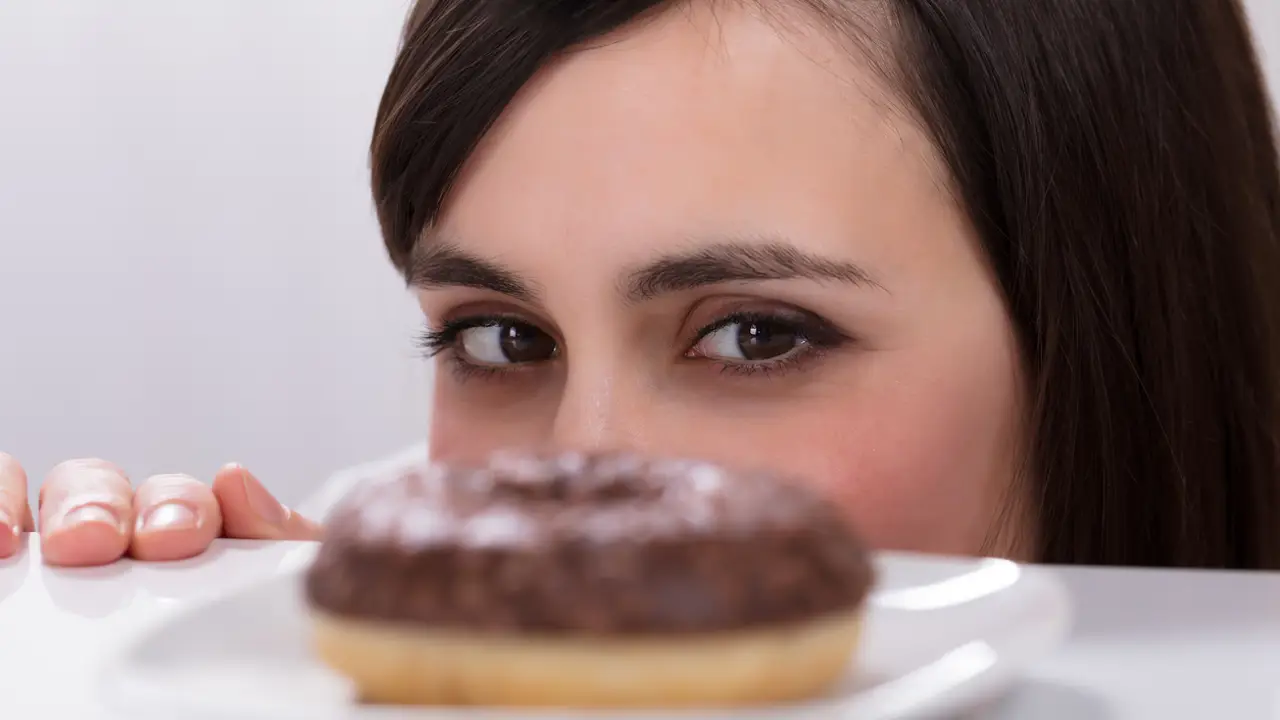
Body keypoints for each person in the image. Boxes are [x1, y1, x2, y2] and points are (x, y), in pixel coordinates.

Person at [2, 0, 1279, 569]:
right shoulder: (348, 582)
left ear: (1116, 344)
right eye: (502, 340)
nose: (578, 483)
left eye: (757, 335)